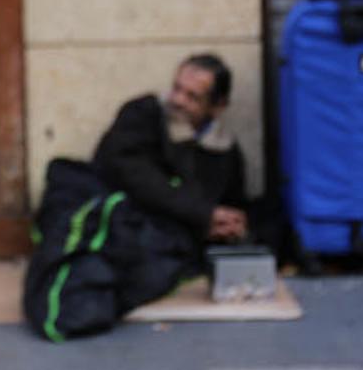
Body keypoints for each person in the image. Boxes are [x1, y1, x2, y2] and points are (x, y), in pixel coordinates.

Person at [91, 53, 251, 249]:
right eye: (177, 88)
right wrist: (202, 214)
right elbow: (137, 177)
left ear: (218, 107)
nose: (178, 100)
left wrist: (225, 225)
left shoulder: (225, 151)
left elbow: (228, 205)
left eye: (192, 97)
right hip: (126, 232)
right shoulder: (142, 114)